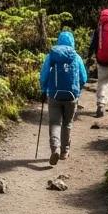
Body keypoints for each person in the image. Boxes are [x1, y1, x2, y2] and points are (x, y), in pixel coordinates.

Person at [39, 30, 88, 165]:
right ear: (72, 42)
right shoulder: (76, 57)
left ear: (58, 41)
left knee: (55, 122)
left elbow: (44, 74)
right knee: (67, 123)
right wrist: (78, 90)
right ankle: (64, 151)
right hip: (71, 96)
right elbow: (84, 77)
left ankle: (55, 147)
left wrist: (43, 89)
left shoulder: (52, 56)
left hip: (54, 94)